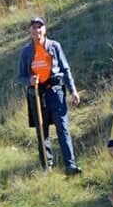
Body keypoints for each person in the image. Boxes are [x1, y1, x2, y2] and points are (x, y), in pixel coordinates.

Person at [17, 15, 81, 175]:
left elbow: (65, 69)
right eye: (34, 27)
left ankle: (70, 165)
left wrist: (73, 90)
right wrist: (29, 80)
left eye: (40, 27)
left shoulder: (54, 46)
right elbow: (20, 77)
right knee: (42, 131)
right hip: (37, 95)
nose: (37, 30)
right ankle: (47, 166)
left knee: (63, 128)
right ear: (29, 31)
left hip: (56, 91)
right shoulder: (26, 52)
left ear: (44, 30)